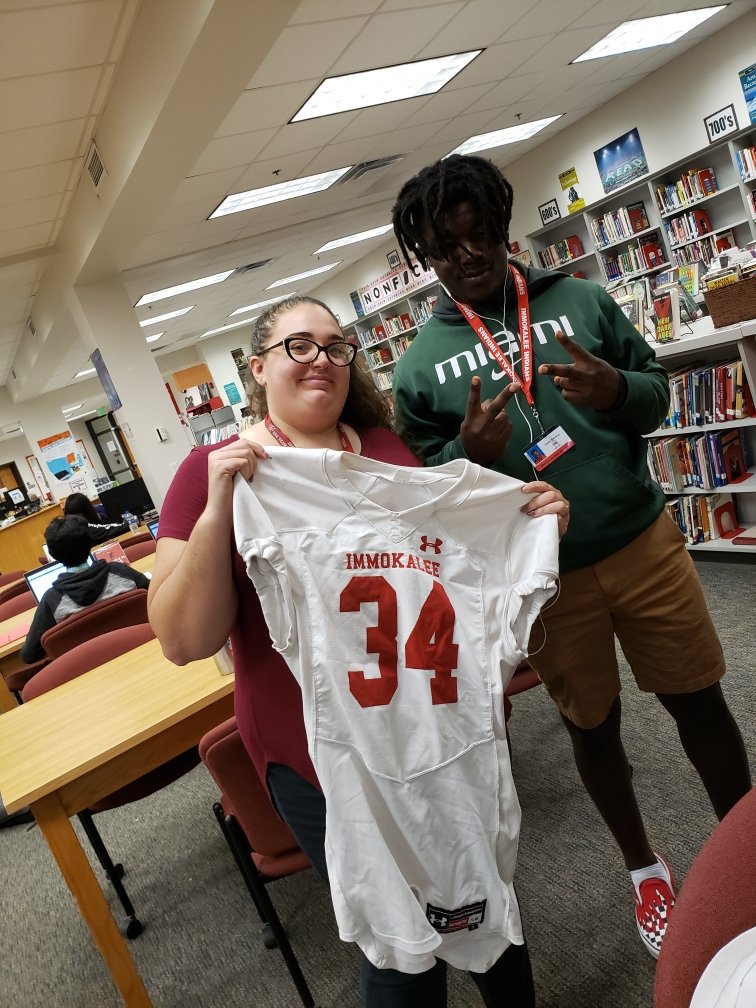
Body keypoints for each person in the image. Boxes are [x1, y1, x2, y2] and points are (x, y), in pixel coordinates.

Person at [148, 294, 570, 1007]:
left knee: (481, 894)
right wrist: (222, 509)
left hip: (430, 727)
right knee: (401, 939)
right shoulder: (215, 470)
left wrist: (524, 522)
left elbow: (448, 561)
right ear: (257, 367)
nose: (322, 359)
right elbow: (183, 638)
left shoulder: (385, 448)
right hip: (320, 750)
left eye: (337, 346)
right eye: (298, 346)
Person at [389, 153, 752, 960]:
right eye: (448, 249)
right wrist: (465, 453)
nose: (471, 256)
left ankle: (748, 852)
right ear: (425, 260)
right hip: (539, 577)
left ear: (502, 229)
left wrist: (617, 391)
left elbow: (656, 389)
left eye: (481, 234)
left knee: (700, 701)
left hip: (641, 542)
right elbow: (424, 501)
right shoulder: (414, 369)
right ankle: (642, 871)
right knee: (594, 727)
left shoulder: (581, 300)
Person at [20, 514, 149, 663]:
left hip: (88, 675)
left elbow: (29, 655)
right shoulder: (121, 572)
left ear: (53, 555)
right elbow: (159, 598)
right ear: (90, 543)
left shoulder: (52, 600)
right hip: (143, 653)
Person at [63, 491, 129, 544]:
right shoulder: (86, 527)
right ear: (87, 509)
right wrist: (131, 520)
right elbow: (120, 527)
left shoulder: (68, 528)